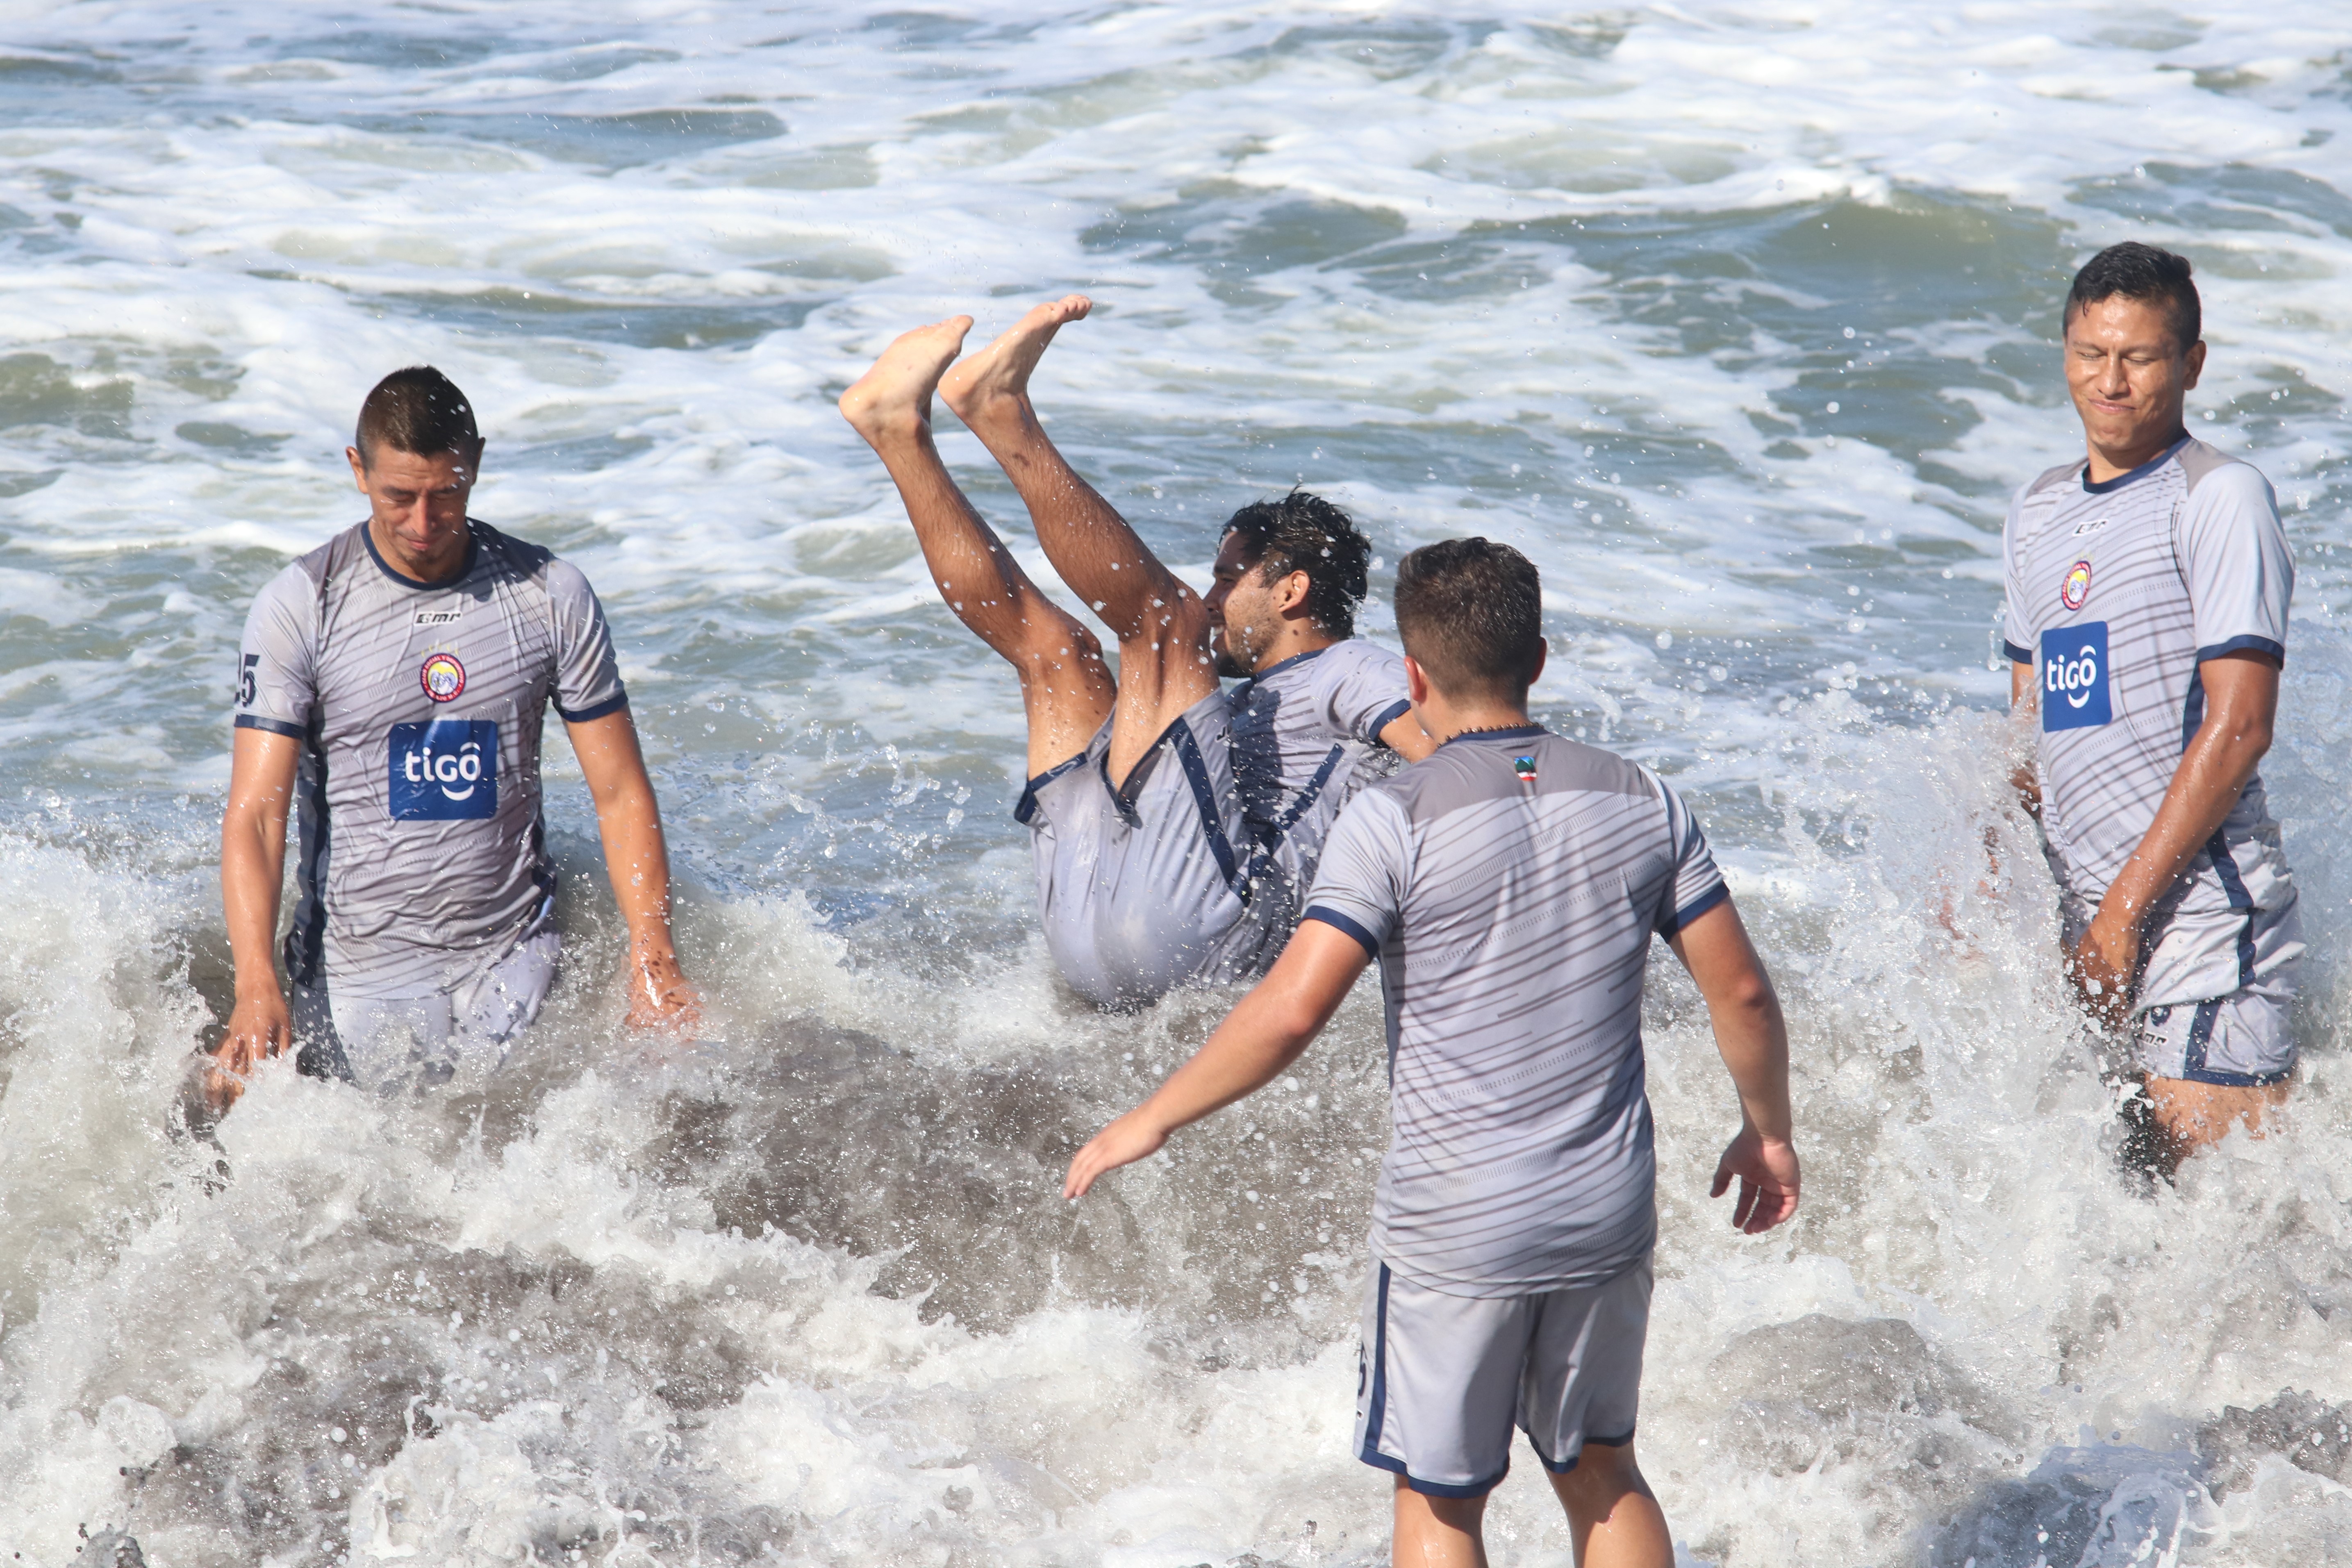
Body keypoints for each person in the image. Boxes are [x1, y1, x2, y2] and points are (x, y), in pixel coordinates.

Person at [1066, 539, 1800, 1568]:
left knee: (1438, 1499)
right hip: (1603, 1205)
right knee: (1602, 1468)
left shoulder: (1395, 814)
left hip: (1457, 1220)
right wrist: (1768, 1134)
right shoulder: (1643, 796)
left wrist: (1150, 1116)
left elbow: (1290, 1011)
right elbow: (1743, 993)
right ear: (1536, 658)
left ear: (1411, 673)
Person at [837, 297, 1433, 1007]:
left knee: (1165, 623)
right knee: (1057, 654)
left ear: (1291, 590)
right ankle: (898, 432)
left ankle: (1000, 410)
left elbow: (1448, 756)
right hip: (1101, 924)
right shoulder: (1247, 702)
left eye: (1228, 579)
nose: (1212, 599)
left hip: (1212, 936)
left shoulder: (1354, 665)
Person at [212, 366, 698, 1102]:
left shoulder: (548, 593)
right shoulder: (302, 605)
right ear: (357, 470)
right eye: (398, 496)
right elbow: (256, 815)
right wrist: (255, 986)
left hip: (515, 959)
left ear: (476, 464)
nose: (422, 521)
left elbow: (621, 791)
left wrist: (654, 963)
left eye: (446, 493)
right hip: (357, 973)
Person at [1999, 242, 2301, 1174]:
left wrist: (2123, 915)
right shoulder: (2037, 511)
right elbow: (2030, 728)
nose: (2110, 381)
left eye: (2138, 357)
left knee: (2220, 1240)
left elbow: (2240, 725)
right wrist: (1992, 872)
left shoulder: (2218, 496)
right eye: (2090, 353)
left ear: (2191, 364)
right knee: (2107, 1227)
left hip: (2203, 933)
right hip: (2093, 941)